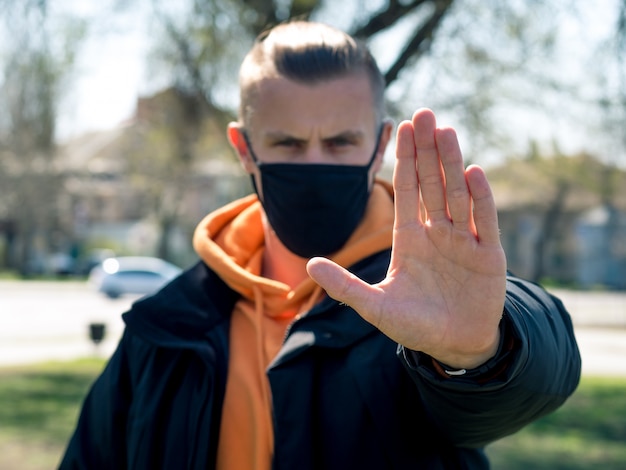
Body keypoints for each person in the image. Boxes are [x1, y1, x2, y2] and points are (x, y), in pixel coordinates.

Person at [60, 20, 580, 470]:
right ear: (244, 149)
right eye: (287, 143)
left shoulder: (424, 292)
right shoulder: (167, 324)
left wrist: (479, 351)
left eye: (340, 142)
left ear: (379, 146)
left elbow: (535, 371)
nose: (315, 163)